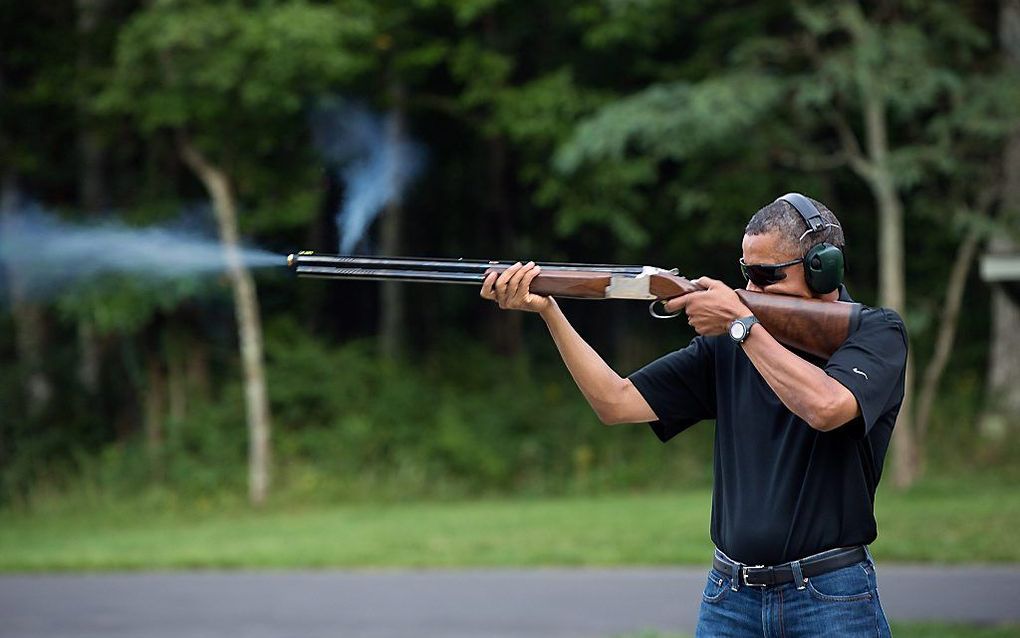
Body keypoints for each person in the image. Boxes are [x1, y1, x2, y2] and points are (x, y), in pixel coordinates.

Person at [480, 193, 907, 637]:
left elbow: (827, 407)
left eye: (765, 275)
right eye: (746, 273)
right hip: (731, 598)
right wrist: (549, 310)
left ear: (824, 269)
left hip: (829, 595)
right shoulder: (730, 342)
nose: (751, 289)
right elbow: (615, 402)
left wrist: (742, 325)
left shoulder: (874, 332)